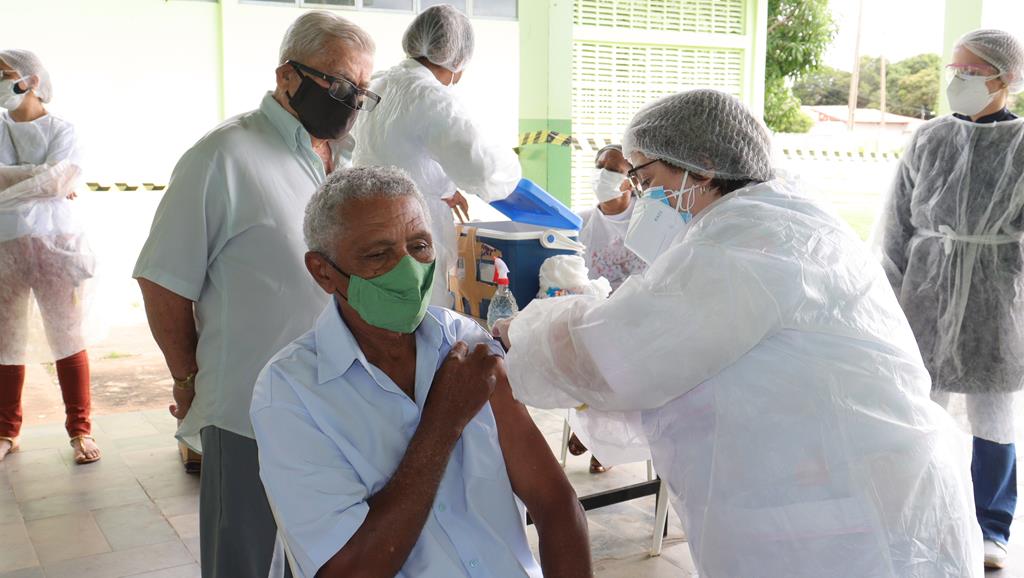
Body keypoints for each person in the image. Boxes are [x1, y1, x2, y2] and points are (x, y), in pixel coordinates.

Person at [493, 89, 983, 577]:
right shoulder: (782, 217)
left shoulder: (744, 242)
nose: (644, 200)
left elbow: (618, 354)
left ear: (701, 166)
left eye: (647, 180)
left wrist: (520, 331)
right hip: (870, 490)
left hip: (851, 518)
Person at [251, 166, 590, 578]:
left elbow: (555, 504)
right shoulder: (291, 392)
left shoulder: (467, 344)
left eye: (419, 246)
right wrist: (443, 422)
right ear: (323, 271)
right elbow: (348, 570)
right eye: (378, 255)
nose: (408, 270)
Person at [133, 12, 376, 578]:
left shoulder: (348, 158)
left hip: (339, 405)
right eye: (338, 84)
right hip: (248, 410)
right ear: (287, 76)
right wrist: (187, 378)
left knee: (326, 556)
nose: (351, 101)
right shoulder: (223, 156)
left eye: (362, 91)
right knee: (242, 558)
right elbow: (163, 280)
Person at [880, 28, 1024, 570]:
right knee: (920, 408)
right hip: (925, 290)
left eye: (969, 71)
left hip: (997, 296)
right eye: (955, 70)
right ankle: (921, 515)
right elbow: (896, 223)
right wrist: (889, 295)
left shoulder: (1023, 144)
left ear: (1004, 78)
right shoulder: (928, 138)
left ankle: (992, 527)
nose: (957, 80)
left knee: (994, 414)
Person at [352, 3, 522, 308]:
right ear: (458, 58)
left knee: (375, 319)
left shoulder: (380, 82)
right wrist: (511, 168)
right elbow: (482, 170)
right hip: (411, 229)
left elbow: (394, 153)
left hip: (366, 221)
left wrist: (444, 187)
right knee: (421, 325)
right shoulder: (433, 97)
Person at [0, 49, 99, 465]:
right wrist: (42, 176)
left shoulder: (63, 128)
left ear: (31, 80)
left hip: (58, 247)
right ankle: (6, 431)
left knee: (67, 338)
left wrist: (16, 180)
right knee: (5, 342)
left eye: (4, 74)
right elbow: (54, 179)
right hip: (6, 248)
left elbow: (62, 179)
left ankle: (80, 430)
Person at [568, 144, 648, 473]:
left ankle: (595, 433)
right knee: (570, 340)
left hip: (636, 318)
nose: (604, 175)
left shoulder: (647, 222)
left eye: (614, 169)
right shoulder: (581, 222)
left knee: (616, 353)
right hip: (594, 317)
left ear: (631, 180)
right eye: (600, 166)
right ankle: (592, 429)